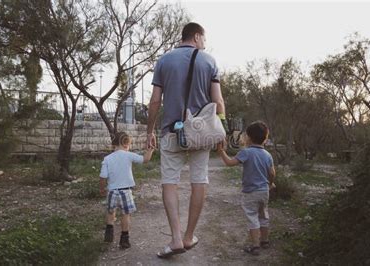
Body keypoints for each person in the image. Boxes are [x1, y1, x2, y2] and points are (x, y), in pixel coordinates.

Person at [146, 22, 227, 258]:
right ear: (197, 36)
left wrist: (150, 130)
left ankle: (175, 238)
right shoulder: (209, 61)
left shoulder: (163, 61)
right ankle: (190, 235)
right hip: (201, 133)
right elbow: (218, 101)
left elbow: (154, 101)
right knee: (199, 180)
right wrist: (221, 127)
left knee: (169, 182)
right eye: (204, 39)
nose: (204, 43)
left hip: (172, 131)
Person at [216, 121, 276, 256]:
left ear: (248, 137)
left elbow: (230, 163)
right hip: (264, 191)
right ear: (265, 138)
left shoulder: (246, 152)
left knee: (252, 217)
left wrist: (221, 152)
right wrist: (270, 183)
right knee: (263, 215)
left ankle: (255, 246)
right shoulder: (268, 155)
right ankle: (265, 241)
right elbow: (272, 173)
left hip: (250, 192)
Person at [100, 132, 154, 249]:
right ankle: (124, 239)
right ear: (126, 144)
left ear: (114, 145)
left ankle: (109, 231)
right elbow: (145, 159)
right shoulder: (128, 155)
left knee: (110, 212)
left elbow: (103, 176)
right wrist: (150, 150)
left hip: (112, 191)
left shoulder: (107, 158)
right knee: (125, 215)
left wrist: (102, 189)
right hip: (125, 192)